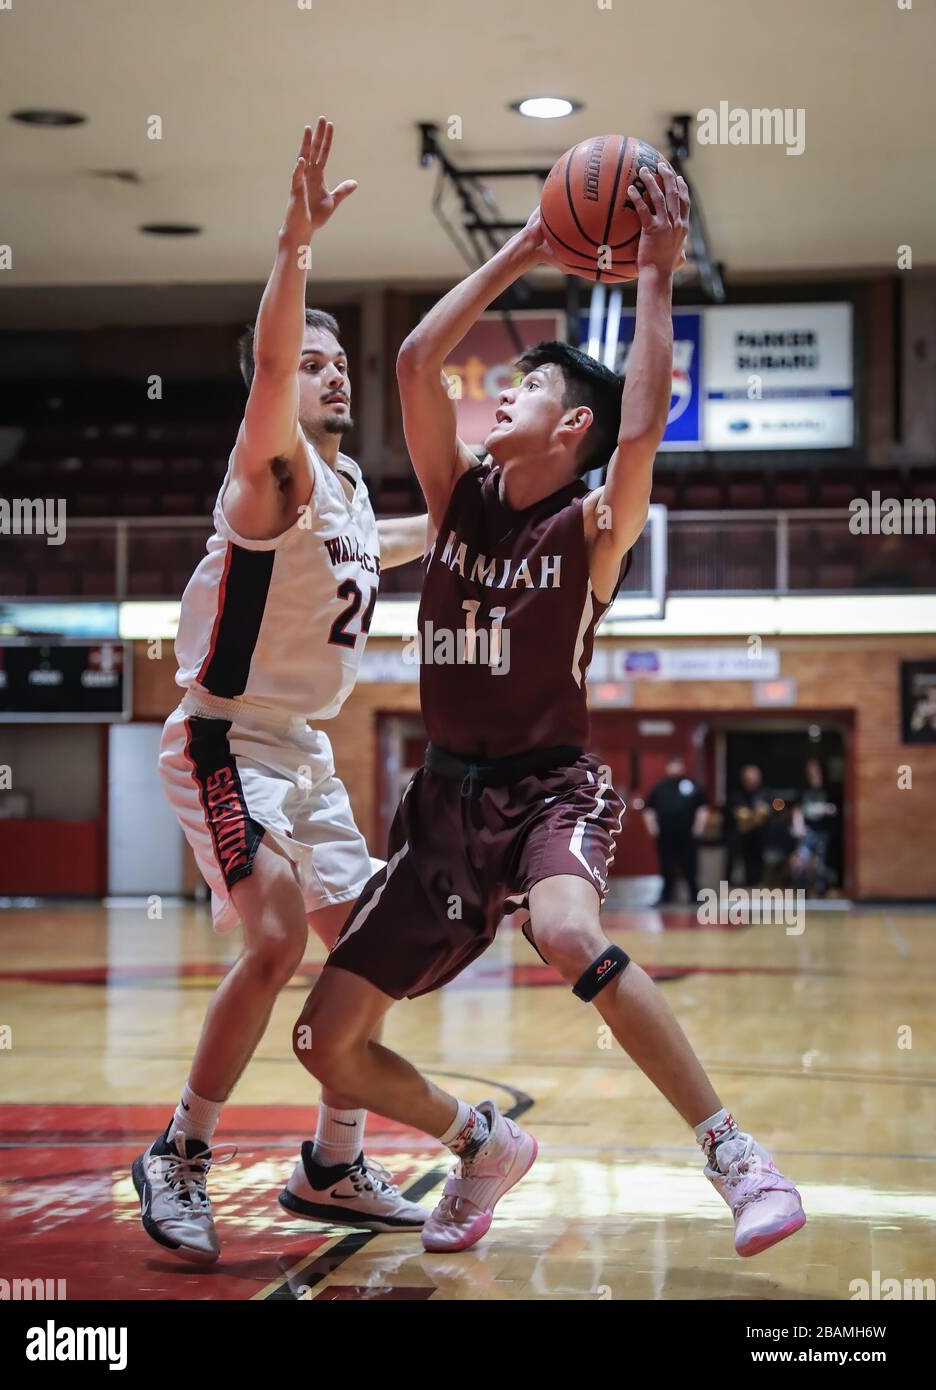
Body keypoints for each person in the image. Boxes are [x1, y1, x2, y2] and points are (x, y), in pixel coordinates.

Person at [294, 163, 805, 1259]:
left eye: (517, 391)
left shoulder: (591, 528)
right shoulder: (457, 498)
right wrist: (529, 242)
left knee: (568, 930)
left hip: (543, 792)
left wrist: (658, 280)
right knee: (324, 1042)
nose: (493, 400)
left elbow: (642, 426)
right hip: (440, 806)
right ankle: (480, 1144)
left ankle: (735, 1155)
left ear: (568, 423)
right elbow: (417, 358)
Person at [132, 120, 430, 1264]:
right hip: (221, 743)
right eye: (314, 358)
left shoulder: (348, 483)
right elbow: (266, 367)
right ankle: (182, 1148)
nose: (332, 367)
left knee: (367, 951)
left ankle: (334, 1160)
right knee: (269, 941)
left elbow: (386, 542)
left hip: (301, 750)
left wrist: (477, 514)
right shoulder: (272, 470)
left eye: (338, 358)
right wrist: (292, 246)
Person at [643, 756, 708, 904]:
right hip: (666, 834)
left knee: (690, 865)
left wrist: (699, 828)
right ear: (667, 767)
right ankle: (667, 896)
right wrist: (652, 828)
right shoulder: (659, 788)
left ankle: (694, 895)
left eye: (678, 765)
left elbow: (702, 808)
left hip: (687, 834)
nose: (675, 768)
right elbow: (649, 809)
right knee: (666, 865)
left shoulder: (692, 786)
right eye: (672, 765)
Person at [791, 758, 838, 895]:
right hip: (807, 832)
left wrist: (826, 809)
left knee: (820, 865)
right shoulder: (803, 789)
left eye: (815, 769)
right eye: (809, 770)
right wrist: (797, 824)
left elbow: (835, 809)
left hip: (823, 832)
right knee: (801, 861)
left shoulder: (828, 789)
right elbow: (797, 809)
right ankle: (802, 891)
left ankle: (820, 892)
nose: (812, 773)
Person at [727, 763, 770, 887]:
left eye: (754, 778)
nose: (751, 781)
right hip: (740, 840)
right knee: (737, 869)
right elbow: (740, 817)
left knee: (757, 869)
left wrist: (752, 817)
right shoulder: (737, 795)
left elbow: (765, 815)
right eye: (748, 778)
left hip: (759, 839)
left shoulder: (765, 793)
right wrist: (754, 816)